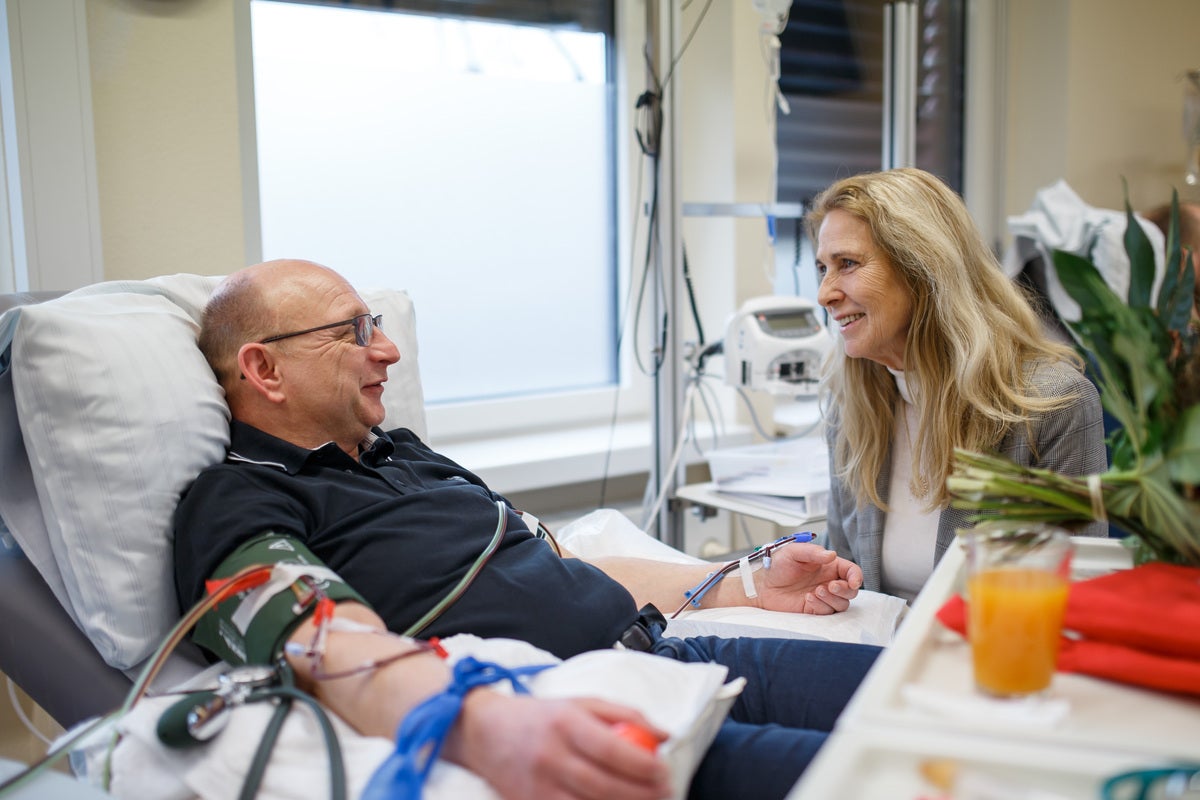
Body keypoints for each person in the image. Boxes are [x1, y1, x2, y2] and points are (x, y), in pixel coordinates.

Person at [172, 258, 882, 800]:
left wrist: (746, 583)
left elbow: (560, 561)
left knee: (927, 688)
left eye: (379, 328)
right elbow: (327, 640)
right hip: (581, 712)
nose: (386, 351)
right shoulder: (236, 499)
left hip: (672, 659)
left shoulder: (407, 453)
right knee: (909, 779)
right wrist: (478, 725)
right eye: (354, 333)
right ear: (264, 369)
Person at [807, 167, 1108, 604]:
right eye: (822, 268)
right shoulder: (851, 409)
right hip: (880, 658)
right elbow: (851, 576)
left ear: (923, 267)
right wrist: (830, 591)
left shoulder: (1053, 407)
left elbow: (1075, 596)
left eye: (848, 264)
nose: (825, 294)